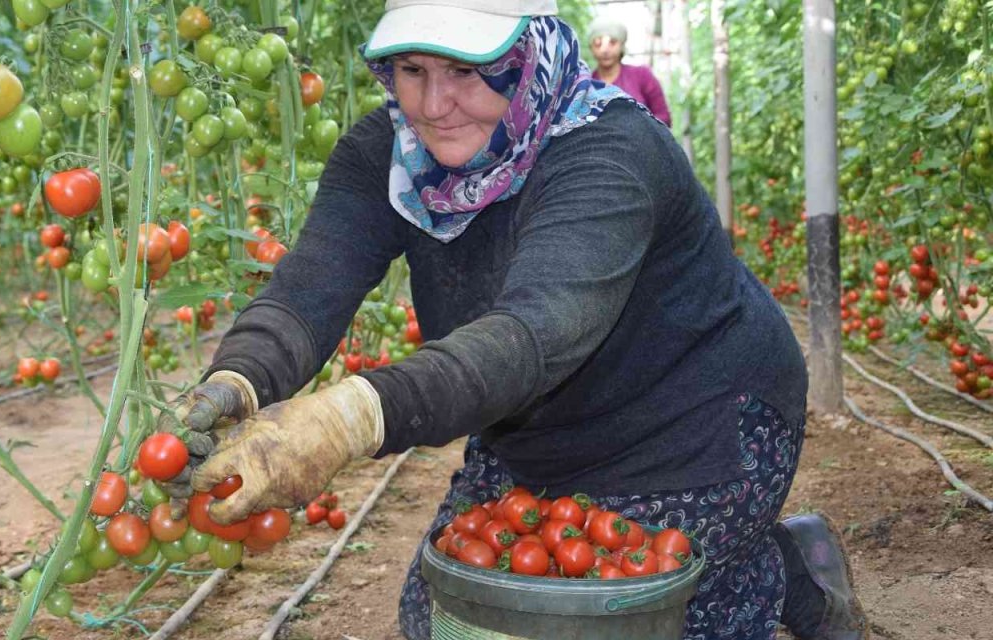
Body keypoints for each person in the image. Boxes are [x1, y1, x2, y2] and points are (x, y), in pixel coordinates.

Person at [159, 1, 866, 639]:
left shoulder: (607, 153)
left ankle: (780, 568)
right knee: (444, 619)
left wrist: (351, 419)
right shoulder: (387, 152)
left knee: (630, 620)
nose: (435, 104)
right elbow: (307, 289)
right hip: (537, 436)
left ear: (530, 56)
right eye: (411, 69)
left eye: (472, 70)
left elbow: (538, 330)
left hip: (697, 425)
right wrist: (235, 382)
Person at [587, 18, 672, 126]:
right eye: (598, 43)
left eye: (612, 43)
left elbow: (664, 117)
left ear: (621, 45)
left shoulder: (642, 75)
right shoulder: (584, 85)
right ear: (591, 48)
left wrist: (640, 130)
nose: (605, 50)